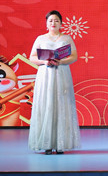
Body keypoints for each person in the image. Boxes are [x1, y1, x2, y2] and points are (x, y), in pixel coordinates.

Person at [28, 10, 80, 154]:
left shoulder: (67, 38)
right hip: (45, 74)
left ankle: (60, 144)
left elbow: (74, 56)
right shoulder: (40, 38)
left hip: (62, 73)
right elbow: (32, 57)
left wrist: (61, 61)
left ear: (61, 24)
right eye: (50, 20)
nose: (53, 23)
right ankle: (47, 144)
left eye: (56, 20)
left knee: (61, 104)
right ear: (46, 23)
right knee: (46, 105)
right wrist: (44, 61)